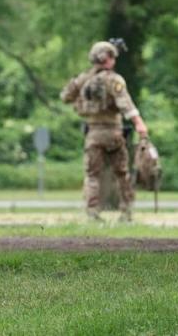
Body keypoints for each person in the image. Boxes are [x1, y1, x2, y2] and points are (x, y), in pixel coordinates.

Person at [61, 41, 148, 222]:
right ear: (107, 59)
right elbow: (125, 104)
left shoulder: (84, 79)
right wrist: (139, 123)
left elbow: (65, 97)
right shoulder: (113, 79)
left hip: (93, 133)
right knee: (122, 173)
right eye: (113, 57)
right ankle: (126, 212)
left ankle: (92, 212)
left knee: (92, 175)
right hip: (114, 132)